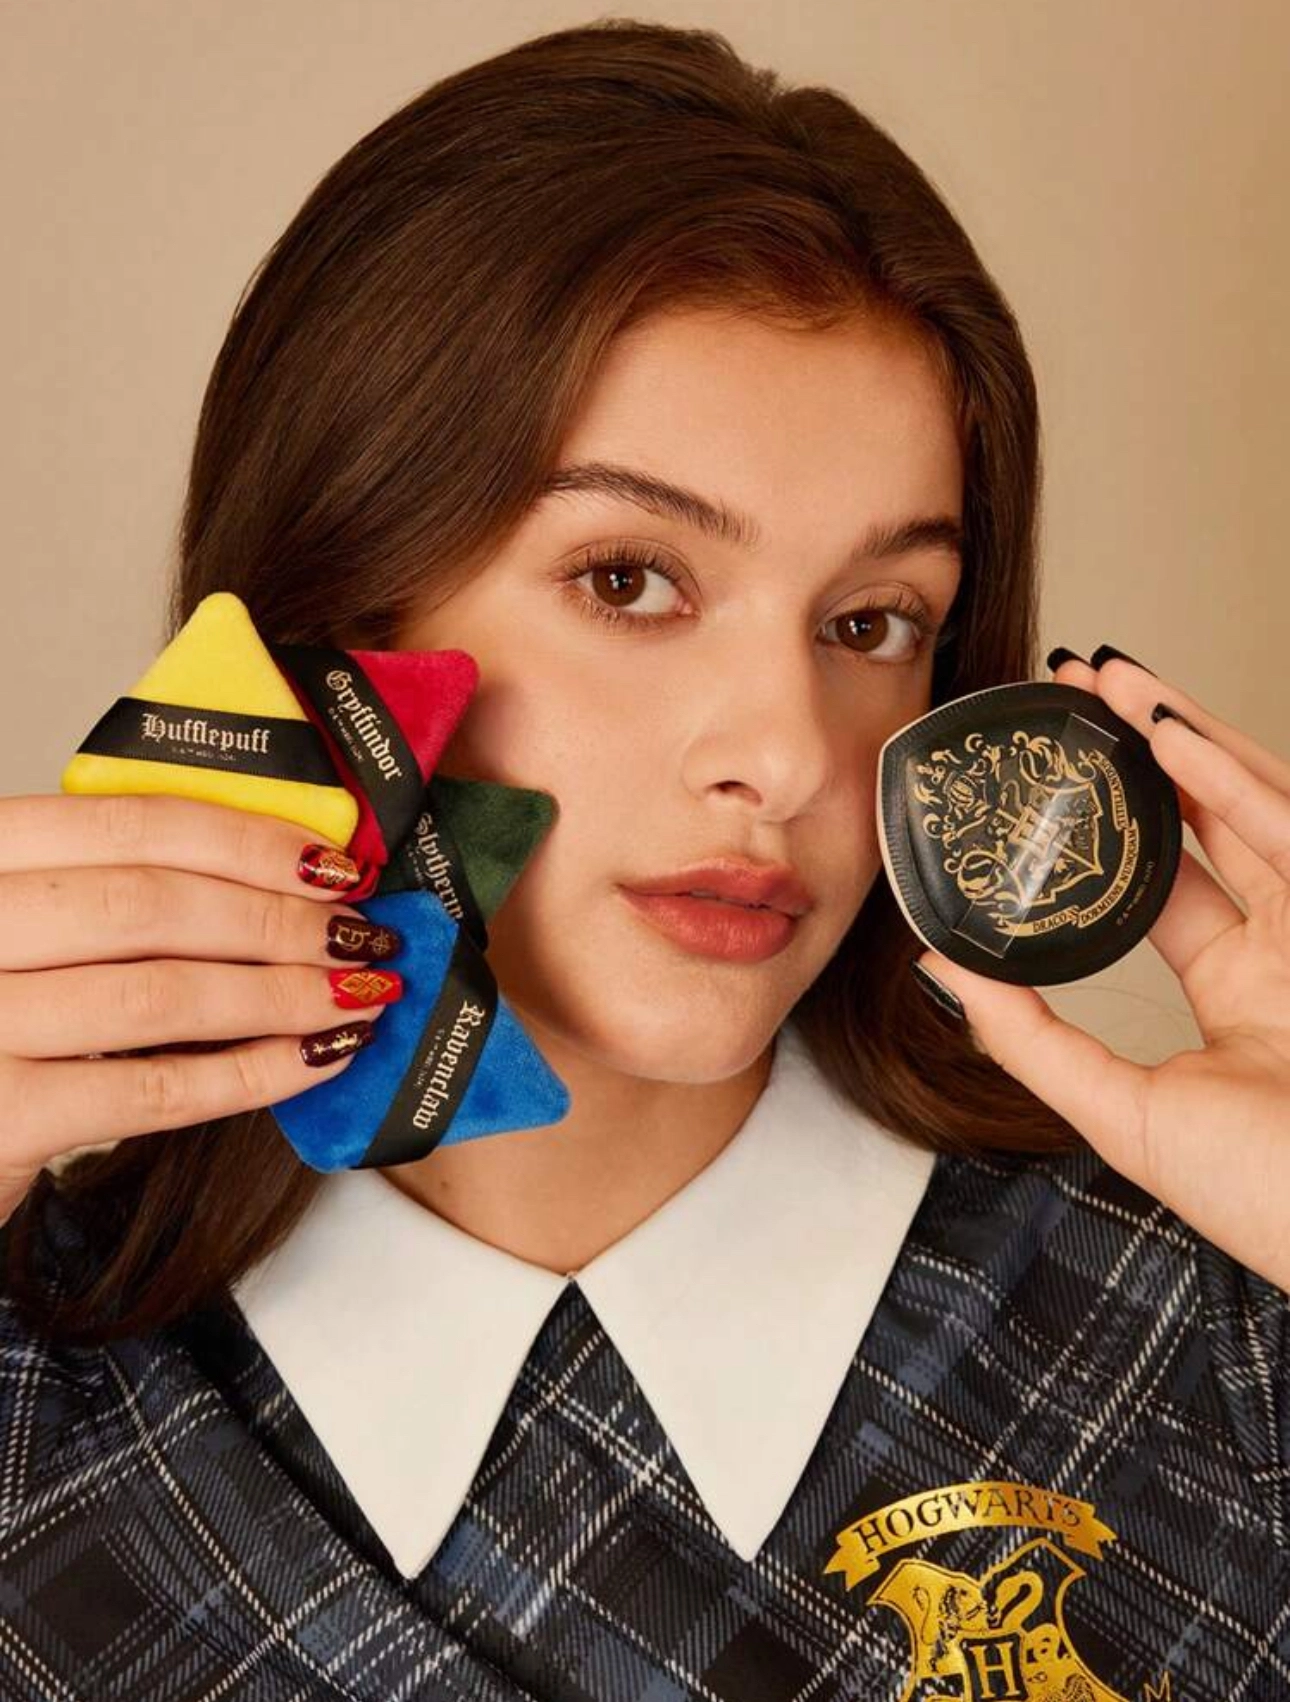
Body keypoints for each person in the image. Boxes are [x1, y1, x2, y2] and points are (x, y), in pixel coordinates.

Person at [1, 18, 1286, 1701]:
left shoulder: (1223, 1342)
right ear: (338, 605)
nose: (787, 755)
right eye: (628, 580)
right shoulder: (38, 1388)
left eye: (871, 620)